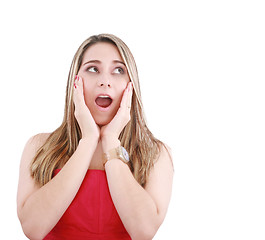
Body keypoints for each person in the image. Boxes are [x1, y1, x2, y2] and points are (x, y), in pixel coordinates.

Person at [16, 34, 174, 240]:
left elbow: (143, 231)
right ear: (75, 81)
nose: (105, 81)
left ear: (131, 85)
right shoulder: (39, 146)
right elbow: (32, 228)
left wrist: (111, 142)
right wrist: (88, 141)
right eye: (93, 69)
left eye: (119, 70)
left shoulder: (156, 154)